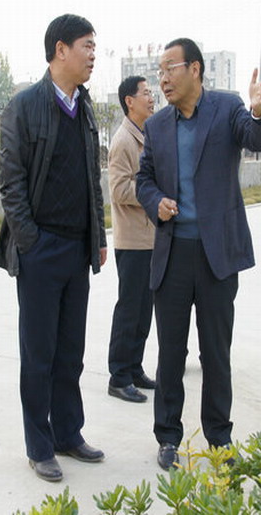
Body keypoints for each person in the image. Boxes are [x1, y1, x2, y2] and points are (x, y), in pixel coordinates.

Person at [136, 38, 261, 470]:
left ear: (194, 69)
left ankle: (219, 437)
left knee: (216, 353)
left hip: (217, 255)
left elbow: (258, 138)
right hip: (173, 254)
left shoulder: (227, 108)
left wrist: (257, 110)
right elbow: (144, 179)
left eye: (169, 68)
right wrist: (155, 201)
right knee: (170, 353)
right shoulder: (158, 125)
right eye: (159, 71)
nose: (162, 78)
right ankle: (168, 437)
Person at [0, 14, 107, 482]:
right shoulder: (24, 107)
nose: (93, 55)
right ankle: (39, 446)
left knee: (70, 352)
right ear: (61, 50)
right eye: (87, 46)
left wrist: (98, 237)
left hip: (78, 249)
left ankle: (67, 433)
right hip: (41, 250)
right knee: (38, 354)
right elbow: (11, 183)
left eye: (95, 47)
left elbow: (92, 178)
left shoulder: (85, 107)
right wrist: (31, 243)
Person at [107, 76, 156, 404]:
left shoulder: (145, 135)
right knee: (129, 310)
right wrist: (153, 191)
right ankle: (119, 376)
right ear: (129, 101)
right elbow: (119, 190)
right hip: (132, 240)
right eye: (146, 93)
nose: (151, 98)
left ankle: (135, 368)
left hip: (150, 238)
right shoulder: (123, 141)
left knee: (144, 310)